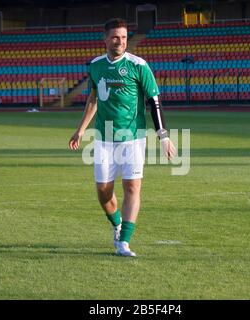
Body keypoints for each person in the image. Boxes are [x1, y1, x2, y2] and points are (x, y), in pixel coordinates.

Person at [69, 18, 176, 257]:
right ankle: (116, 224)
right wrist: (81, 129)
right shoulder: (96, 65)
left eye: (125, 38)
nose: (121, 42)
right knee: (103, 193)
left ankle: (124, 242)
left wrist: (164, 136)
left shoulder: (139, 65)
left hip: (133, 137)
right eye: (116, 37)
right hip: (104, 138)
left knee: (131, 187)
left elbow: (154, 102)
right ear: (105, 39)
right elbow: (93, 99)